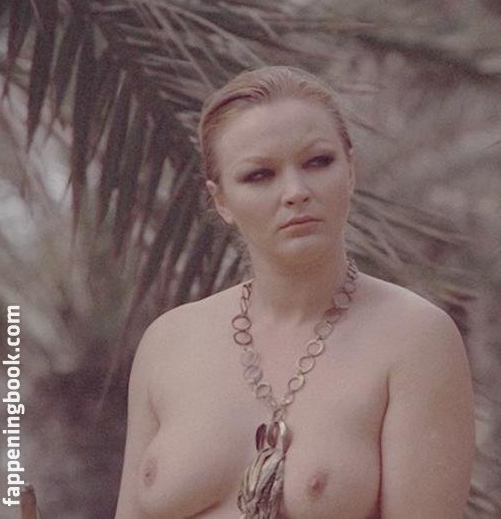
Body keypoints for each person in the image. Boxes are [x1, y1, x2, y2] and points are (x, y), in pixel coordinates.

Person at [113, 66, 476, 518]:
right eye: (259, 175)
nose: (295, 192)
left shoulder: (414, 338)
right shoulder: (168, 343)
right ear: (221, 200)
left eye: (318, 162)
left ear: (350, 170)